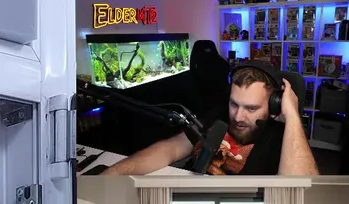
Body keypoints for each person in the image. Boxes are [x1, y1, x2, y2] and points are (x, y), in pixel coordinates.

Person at [104, 63, 318, 176]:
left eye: (251, 108)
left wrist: (292, 115)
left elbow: (301, 193)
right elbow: (171, 148)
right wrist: (115, 172)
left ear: (274, 105)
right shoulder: (218, 115)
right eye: (234, 103)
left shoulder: (281, 138)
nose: (238, 116)